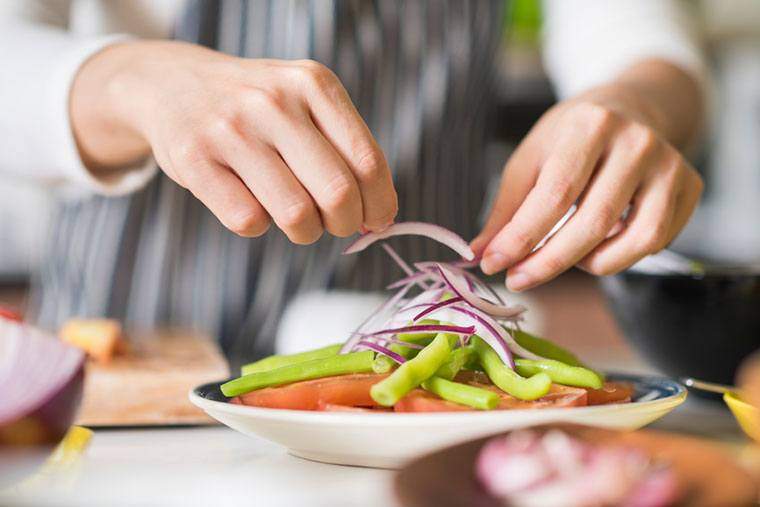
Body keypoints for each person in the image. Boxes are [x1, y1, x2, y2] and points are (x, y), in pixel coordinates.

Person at [0, 0, 705, 362]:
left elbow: (643, 39)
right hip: (128, 371)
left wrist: (637, 101)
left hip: (410, 397)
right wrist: (131, 83)